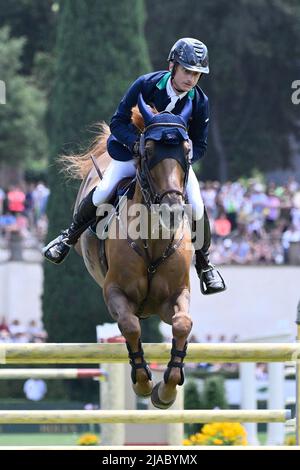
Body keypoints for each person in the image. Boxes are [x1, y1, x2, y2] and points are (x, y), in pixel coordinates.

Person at [43, 38, 226, 295]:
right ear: (173, 66)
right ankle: (68, 237)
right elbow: (117, 123)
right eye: (187, 71)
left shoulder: (199, 101)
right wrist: (137, 147)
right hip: (134, 154)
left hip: (171, 165)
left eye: (197, 74)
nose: (191, 79)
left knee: (196, 203)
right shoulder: (146, 85)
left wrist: (180, 159)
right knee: (104, 188)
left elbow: (201, 145)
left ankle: (205, 266)